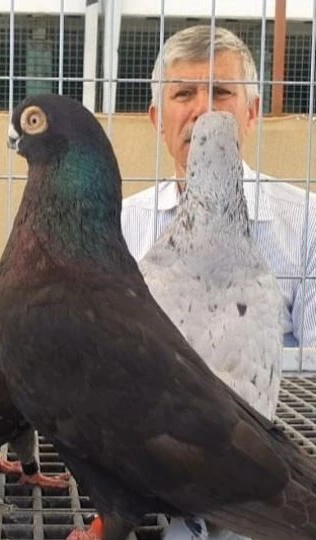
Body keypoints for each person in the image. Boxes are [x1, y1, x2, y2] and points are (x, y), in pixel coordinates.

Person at [121, 25, 316, 347]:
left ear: (251, 113)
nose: (204, 112)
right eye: (183, 94)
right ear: (157, 119)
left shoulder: (308, 224)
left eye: (221, 92)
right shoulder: (121, 225)